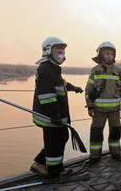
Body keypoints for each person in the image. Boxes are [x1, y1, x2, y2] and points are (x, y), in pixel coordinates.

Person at [30, 37, 83, 178]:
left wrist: (73, 88)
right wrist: (55, 115)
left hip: (55, 115)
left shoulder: (53, 69)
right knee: (56, 140)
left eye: (63, 52)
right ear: (48, 51)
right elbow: (46, 96)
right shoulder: (45, 70)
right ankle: (55, 170)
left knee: (59, 138)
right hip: (49, 116)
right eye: (59, 51)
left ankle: (40, 163)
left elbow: (61, 83)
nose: (62, 55)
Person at [85, 41, 121, 165]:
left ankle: (115, 153)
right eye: (107, 54)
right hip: (98, 110)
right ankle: (94, 156)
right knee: (96, 133)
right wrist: (90, 106)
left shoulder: (119, 70)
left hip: (115, 109)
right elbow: (88, 89)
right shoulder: (95, 70)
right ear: (101, 55)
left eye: (111, 54)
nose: (109, 56)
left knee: (115, 131)